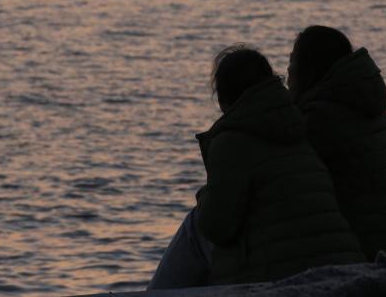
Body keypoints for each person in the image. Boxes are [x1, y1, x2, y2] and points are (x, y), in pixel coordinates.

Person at [148, 45, 365, 289]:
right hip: (342, 267)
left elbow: (218, 227)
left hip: (286, 274)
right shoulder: (298, 128)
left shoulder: (233, 140)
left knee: (195, 226)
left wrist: (205, 197)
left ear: (222, 98)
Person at [287, 26, 386, 264]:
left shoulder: (321, 116)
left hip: (380, 247)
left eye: (292, 61)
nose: (287, 71)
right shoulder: (360, 101)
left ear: (307, 69)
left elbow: (294, 178)